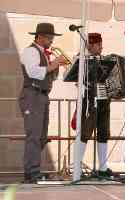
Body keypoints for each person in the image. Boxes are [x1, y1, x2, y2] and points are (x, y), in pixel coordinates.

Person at [19, 22, 68, 183]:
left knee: (41, 136)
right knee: (33, 135)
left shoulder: (45, 54)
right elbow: (34, 72)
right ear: (39, 37)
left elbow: (50, 76)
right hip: (32, 95)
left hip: (42, 96)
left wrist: (56, 67)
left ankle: (35, 170)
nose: (52, 41)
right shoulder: (30, 51)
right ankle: (31, 172)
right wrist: (53, 64)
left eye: (52, 37)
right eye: (49, 38)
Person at [74, 33, 114, 179]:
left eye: (101, 44)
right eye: (98, 45)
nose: (101, 47)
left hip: (104, 99)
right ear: (90, 45)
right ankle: (77, 167)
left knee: (103, 133)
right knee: (85, 133)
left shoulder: (105, 60)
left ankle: (103, 168)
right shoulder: (81, 58)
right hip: (88, 99)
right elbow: (76, 79)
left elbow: (109, 78)